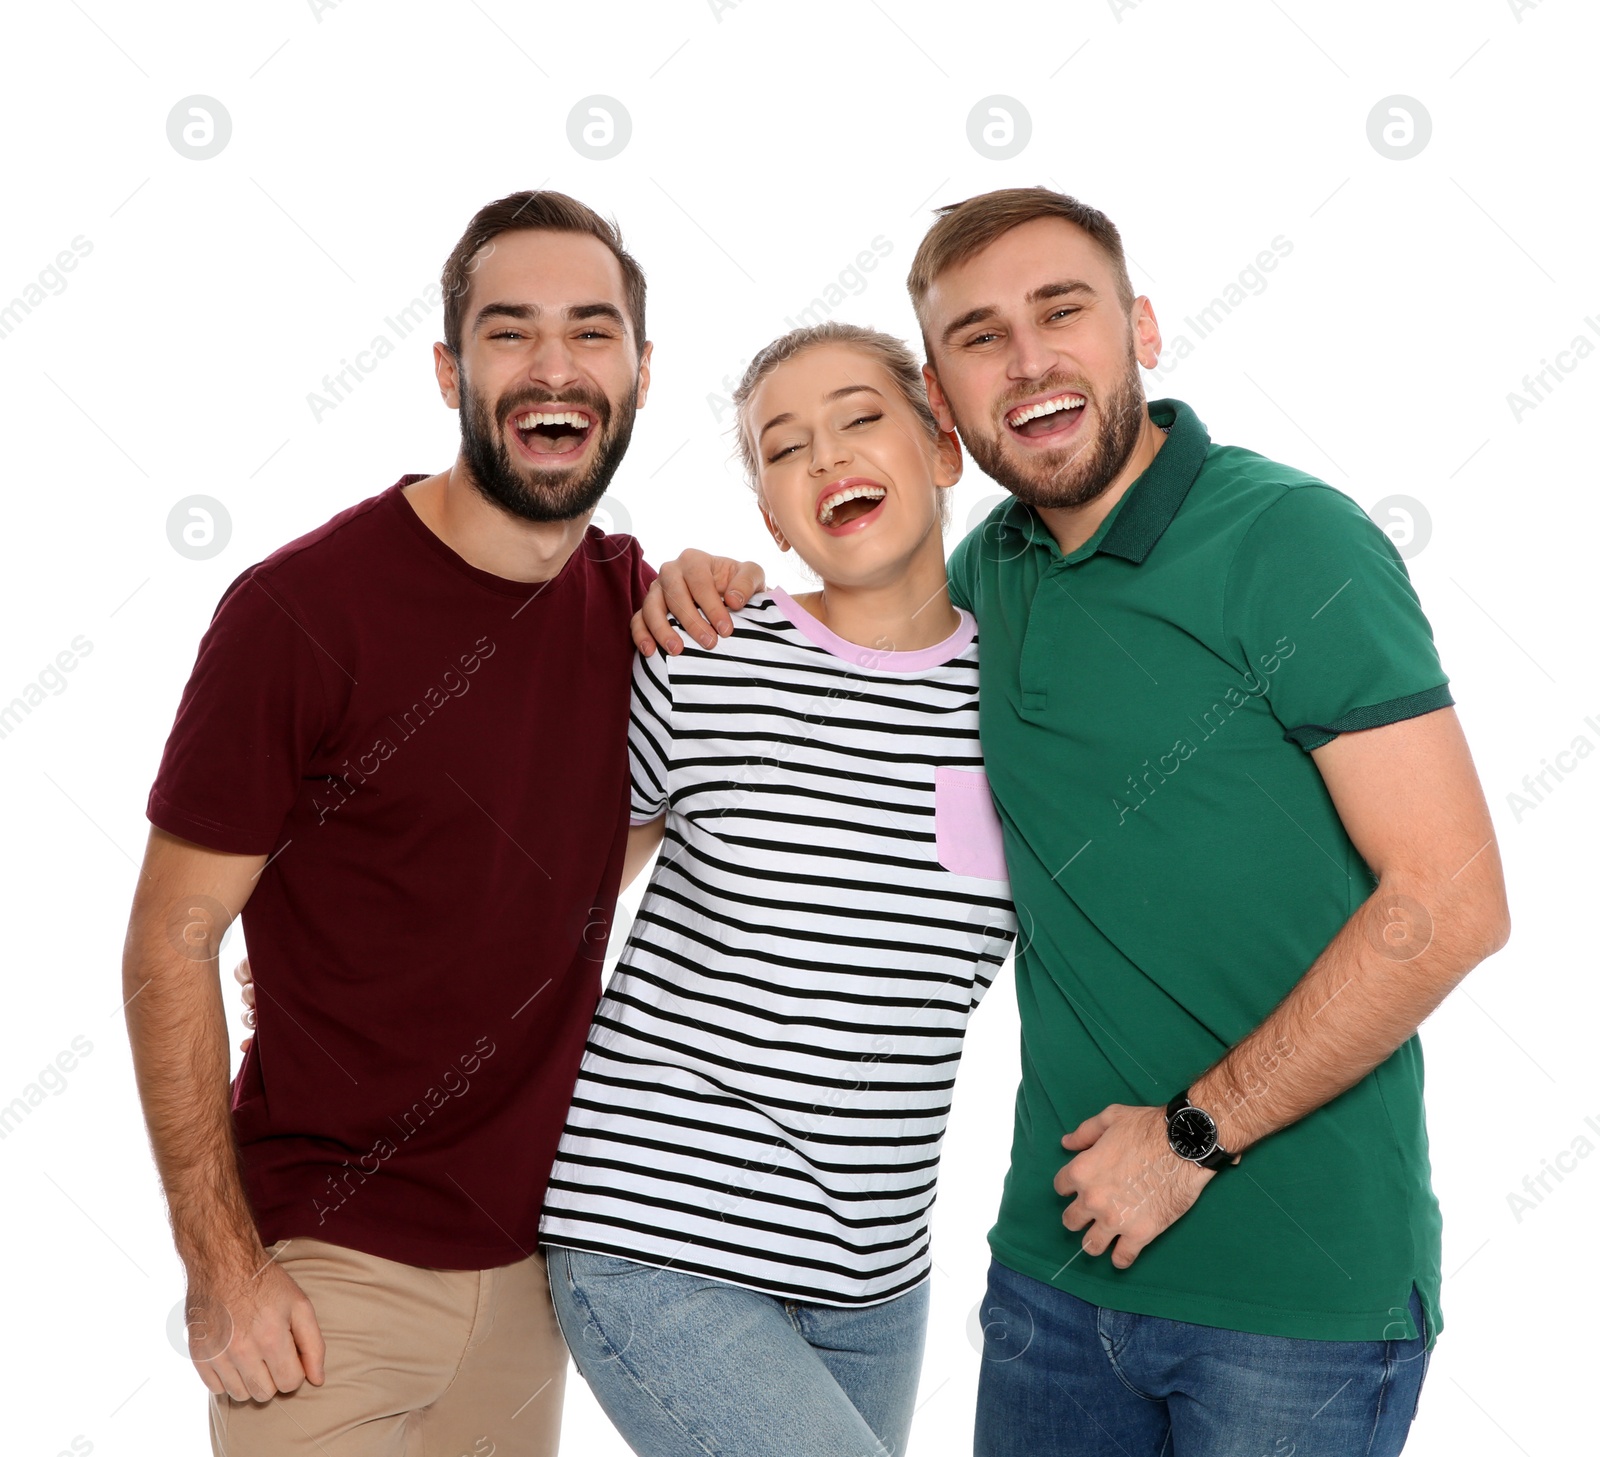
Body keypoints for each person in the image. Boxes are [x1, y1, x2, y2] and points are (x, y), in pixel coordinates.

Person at [634, 187, 1511, 1457]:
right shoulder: (985, 581)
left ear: (1140, 327)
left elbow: (1451, 897)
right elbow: (840, 647)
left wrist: (1191, 1137)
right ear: (945, 399)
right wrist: (711, 582)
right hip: (1053, 1279)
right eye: (980, 336)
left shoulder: (1291, 540)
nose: (1030, 358)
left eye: (1062, 312)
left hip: (1294, 1302)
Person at [121, 189, 757, 1457]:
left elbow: (584, 842)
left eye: (592, 330)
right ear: (448, 368)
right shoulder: (303, 610)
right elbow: (170, 944)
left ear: (640, 370)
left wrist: (728, 578)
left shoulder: (640, 611)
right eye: (510, 332)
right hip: (324, 1276)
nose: (554, 365)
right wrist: (222, 1268)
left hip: (536, 1283)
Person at [536, 322, 1018, 1457]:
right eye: (782, 446)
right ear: (767, 514)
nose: (825, 457)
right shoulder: (706, 649)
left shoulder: (1028, 694)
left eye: (860, 417)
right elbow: (551, 900)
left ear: (942, 446)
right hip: (656, 1241)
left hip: (877, 1281)